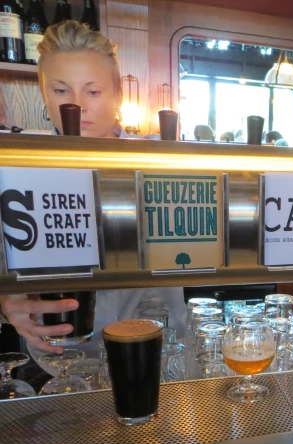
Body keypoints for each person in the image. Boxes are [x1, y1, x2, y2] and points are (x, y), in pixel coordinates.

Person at [0, 21, 187, 359]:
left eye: (93, 91)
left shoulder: (162, 161)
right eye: (60, 90)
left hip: (159, 352)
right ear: (43, 93)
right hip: (62, 360)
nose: (76, 105)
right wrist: (4, 301)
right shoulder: (17, 168)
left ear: (117, 94)